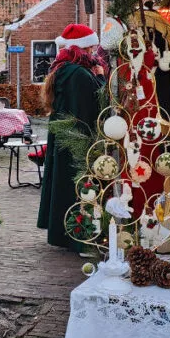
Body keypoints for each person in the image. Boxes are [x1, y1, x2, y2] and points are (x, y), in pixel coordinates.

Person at [37, 24, 105, 251]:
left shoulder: (64, 69)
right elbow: (94, 103)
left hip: (65, 136)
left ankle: (62, 231)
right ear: (83, 47)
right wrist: (102, 79)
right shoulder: (77, 73)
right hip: (77, 138)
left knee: (63, 183)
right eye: (92, 47)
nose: (94, 51)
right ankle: (74, 235)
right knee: (74, 186)